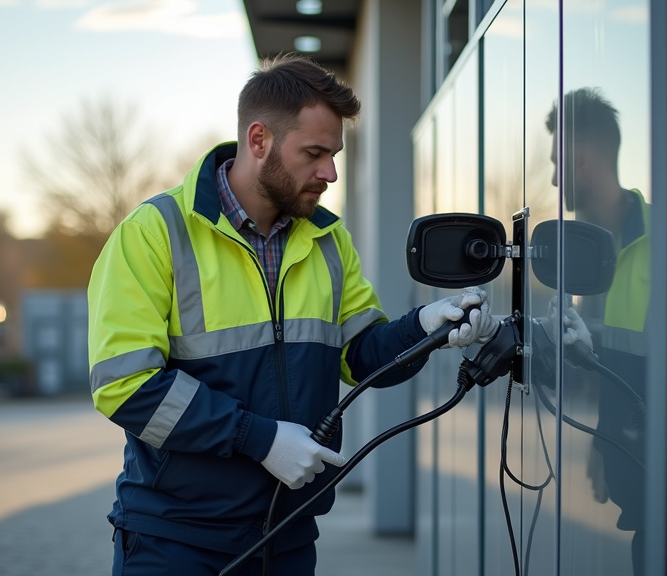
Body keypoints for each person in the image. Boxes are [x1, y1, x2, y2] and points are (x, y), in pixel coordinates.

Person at [86, 53, 499, 576]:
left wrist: (425, 327)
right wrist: (258, 438)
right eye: (314, 153)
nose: (329, 172)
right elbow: (125, 383)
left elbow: (362, 355)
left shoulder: (328, 239)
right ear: (259, 141)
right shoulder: (154, 234)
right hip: (175, 542)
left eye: (335, 155)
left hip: (289, 538)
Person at [534, 87, 667, 575]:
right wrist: (608, 438)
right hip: (647, 514)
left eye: (556, 162)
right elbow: (614, 364)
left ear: (582, 160)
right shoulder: (588, 265)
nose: (552, 177)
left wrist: (648, 428)